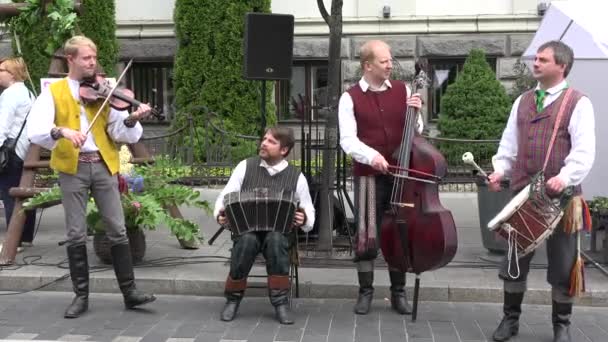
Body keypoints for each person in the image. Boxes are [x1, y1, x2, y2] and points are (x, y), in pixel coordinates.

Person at [27, 35, 156, 318]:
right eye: (86, 58)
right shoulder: (54, 91)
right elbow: (36, 128)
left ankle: (130, 293)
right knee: (75, 233)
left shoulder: (105, 90)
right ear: (70, 59)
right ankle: (81, 296)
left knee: (118, 229)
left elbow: (119, 132)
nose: (92, 62)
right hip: (72, 168)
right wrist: (63, 131)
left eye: (94, 58)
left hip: (103, 165)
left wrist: (133, 118)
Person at [488, 41, 595, 342]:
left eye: (543, 59)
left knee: (563, 264)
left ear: (561, 66)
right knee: (514, 261)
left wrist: (565, 177)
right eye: (535, 58)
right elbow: (509, 145)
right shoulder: (522, 100)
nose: (535, 63)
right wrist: (500, 170)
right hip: (522, 193)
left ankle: (562, 325)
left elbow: (585, 151)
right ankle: (510, 320)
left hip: (561, 199)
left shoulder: (578, 102)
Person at [338, 39, 423, 315]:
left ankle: (399, 292)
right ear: (367, 65)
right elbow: (348, 141)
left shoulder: (403, 89)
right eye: (384, 61)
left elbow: (416, 130)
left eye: (390, 60)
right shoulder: (349, 97)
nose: (390, 65)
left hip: (402, 176)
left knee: (400, 233)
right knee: (366, 237)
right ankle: (366, 292)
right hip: (368, 177)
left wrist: (416, 112)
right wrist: (372, 157)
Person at [214, 126, 315, 325]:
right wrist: (220, 215)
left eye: (270, 141)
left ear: (284, 150)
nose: (263, 143)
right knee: (247, 241)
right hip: (247, 231)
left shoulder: (297, 177)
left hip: (280, 234)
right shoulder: (245, 166)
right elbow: (225, 197)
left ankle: (280, 303)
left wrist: (304, 219)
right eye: (264, 139)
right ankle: (232, 299)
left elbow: (309, 212)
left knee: (276, 239)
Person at [0, 57, 37, 251]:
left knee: (9, 193)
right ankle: (26, 237)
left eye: (1, 70)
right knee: (25, 193)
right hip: (24, 150)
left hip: (10, 151)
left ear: (12, 74)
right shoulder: (28, 93)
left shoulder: (10, 94)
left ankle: (14, 240)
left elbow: (2, 126)